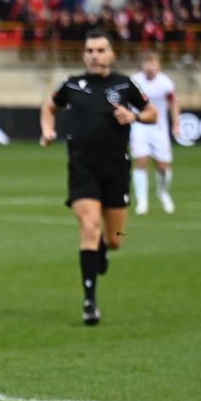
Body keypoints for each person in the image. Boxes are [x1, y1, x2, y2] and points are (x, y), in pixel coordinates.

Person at [40, 31, 156, 326]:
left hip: (117, 168)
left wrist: (135, 117)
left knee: (118, 238)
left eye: (101, 50)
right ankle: (90, 301)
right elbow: (49, 107)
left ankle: (106, 247)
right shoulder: (72, 85)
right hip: (82, 167)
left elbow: (152, 111)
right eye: (90, 50)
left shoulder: (125, 84)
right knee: (89, 228)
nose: (94, 55)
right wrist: (47, 130)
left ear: (111, 54)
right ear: (84, 54)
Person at [129, 51, 179, 215]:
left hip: (159, 128)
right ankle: (142, 202)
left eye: (153, 63)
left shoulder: (165, 82)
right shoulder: (135, 80)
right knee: (141, 161)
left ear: (159, 66)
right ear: (142, 65)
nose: (150, 67)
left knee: (163, 166)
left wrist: (176, 123)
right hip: (139, 126)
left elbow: (173, 102)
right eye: (147, 63)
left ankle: (163, 192)